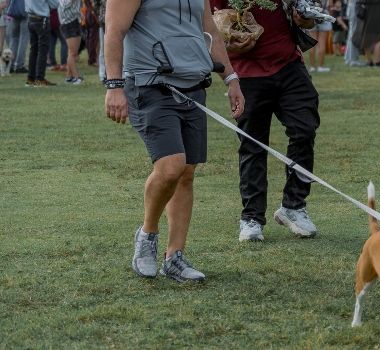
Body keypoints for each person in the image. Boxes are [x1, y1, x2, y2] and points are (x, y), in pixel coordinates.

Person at [104, 0, 244, 281]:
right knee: (171, 167)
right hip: (150, 84)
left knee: (186, 173)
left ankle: (174, 257)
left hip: (193, 84)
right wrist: (114, 86)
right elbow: (114, 31)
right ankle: (147, 235)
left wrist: (231, 78)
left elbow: (211, 33)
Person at [208, 0, 323, 242]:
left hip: (288, 64)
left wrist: (305, 18)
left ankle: (294, 205)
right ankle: (251, 217)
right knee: (253, 145)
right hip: (246, 73)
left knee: (304, 129)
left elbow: (306, 15)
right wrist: (230, 38)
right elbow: (211, 26)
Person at [25, 0, 58, 86]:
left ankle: (31, 78)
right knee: (42, 51)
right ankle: (39, 78)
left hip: (30, 18)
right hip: (41, 19)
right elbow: (55, 4)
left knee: (33, 50)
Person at [353, 0, 380, 65]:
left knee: (367, 38)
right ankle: (377, 61)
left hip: (368, 15)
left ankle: (369, 61)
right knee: (378, 39)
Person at [58, 0, 83, 84]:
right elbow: (65, 4)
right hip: (69, 23)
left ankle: (69, 76)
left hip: (73, 21)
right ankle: (76, 77)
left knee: (71, 52)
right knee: (73, 53)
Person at [308, 0, 332, 72]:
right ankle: (320, 67)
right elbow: (329, 5)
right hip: (323, 16)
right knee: (322, 43)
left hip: (312, 16)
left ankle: (312, 66)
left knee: (312, 43)